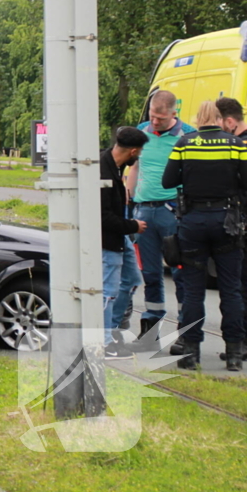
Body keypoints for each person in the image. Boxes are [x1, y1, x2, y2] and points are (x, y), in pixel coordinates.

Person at [162, 100, 247, 371]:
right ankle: (234, 353)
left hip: (193, 223)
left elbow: (167, 181)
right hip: (227, 222)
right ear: (221, 119)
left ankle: (190, 352)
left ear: (198, 119)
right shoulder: (236, 145)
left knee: (193, 290)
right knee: (231, 290)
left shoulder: (185, 144)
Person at [127, 90, 195, 352]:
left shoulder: (187, 135)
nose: (155, 122)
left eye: (161, 119)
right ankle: (149, 331)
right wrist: (129, 201)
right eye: (153, 117)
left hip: (172, 212)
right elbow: (135, 166)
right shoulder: (141, 131)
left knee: (180, 273)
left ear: (173, 114)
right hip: (143, 212)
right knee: (151, 274)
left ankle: (184, 331)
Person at [100, 127, 148, 358]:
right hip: (110, 238)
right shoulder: (103, 171)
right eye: (139, 153)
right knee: (107, 290)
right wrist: (133, 226)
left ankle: (113, 327)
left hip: (120, 238)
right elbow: (103, 216)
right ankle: (104, 341)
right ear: (133, 151)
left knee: (131, 278)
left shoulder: (114, 165)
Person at [216, 96, 247, 363]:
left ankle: (242, 343)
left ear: (228, 121)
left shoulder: (239, 145)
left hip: (241, 220)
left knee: (240, 284)